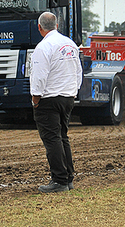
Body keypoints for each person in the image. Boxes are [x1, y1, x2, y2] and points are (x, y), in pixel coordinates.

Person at [30, 11, 82, 193]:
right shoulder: (70, 44)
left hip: (49, 99)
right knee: (63, 137)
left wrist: (35, 98)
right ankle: (68, 178)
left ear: (39, 27)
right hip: (68, 97)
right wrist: (73, 92)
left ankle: (59, 180)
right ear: (57, 25)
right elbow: (78, 71)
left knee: (52, 139)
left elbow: (39, 75)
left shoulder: (43, 47)